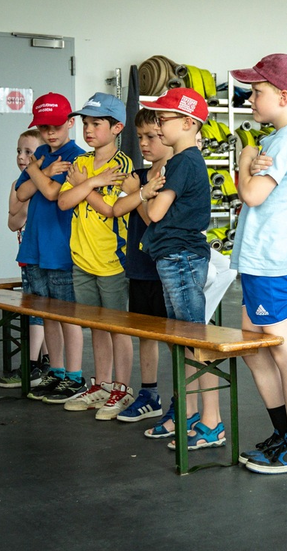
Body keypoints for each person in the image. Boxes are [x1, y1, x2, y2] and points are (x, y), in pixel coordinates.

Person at [229, 54, 287, 475]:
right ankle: (285, 432)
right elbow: (246, 184)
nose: (250, 99)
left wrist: (244, 152)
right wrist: (248, 158)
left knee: (285, 353)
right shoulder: (277, 139)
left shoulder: (286, 141)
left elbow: (249, 193)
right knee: (254, 347)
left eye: (257, 91)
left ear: (283, 96)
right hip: (259, 261)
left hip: (275, 264)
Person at [138, 87, 223, 451]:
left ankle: (212, 422)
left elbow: (155, 214)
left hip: (181, 258)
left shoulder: (182, 162)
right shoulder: (184, 161)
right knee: (183, 341)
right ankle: (189, 413)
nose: (158, 125)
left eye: (163, 119)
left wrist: (147, 190)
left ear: (189, 123)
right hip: (173, 258)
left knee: (195, 342)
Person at [57, 93, 135, 419]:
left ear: (117, 127)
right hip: (82, 259)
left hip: (112, 260)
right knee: (95, 326)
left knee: (118, 327)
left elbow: (111, 207)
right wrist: (93, 181)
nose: (88, 129)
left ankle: (122, 388)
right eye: (85, 123)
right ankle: (101, 384)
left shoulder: (124, 166)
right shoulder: (81, 164)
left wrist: (86, 186)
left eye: (96, 123)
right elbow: (64, 202)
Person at [17, 93, 87, 404]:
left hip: (61, 248)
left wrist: (35, 170)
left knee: (67, 315)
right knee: (46, 315)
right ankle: (55, 371)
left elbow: (49, 193)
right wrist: (41, 170)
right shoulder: (44, 156)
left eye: (56, 126)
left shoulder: (76, 156)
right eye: (44, 127)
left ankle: (74, 376)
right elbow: (20, 194)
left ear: (70, 123)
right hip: (35, 246)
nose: (50, 133)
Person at [110, 108, 170, 424]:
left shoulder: (170, 176)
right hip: (139, 265)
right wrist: (137, 192)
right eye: (140, 137)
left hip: (165, 269)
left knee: (175, 336)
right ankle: (149, 394)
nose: (144, 144)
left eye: (152, 137)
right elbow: (117, 208)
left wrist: (138, 194)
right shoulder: (140, 176)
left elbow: (154, 222)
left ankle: (181, 401)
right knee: (145, 333)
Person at [0, 129, 49, 388]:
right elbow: (13, 221)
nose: (21, 156)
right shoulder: (17, 185)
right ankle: (41, 362)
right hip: (26, 259)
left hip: (43, 258)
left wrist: (24, 203)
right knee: (34, 310)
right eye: (19, 151)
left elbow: (23, 211)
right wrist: (22, 201)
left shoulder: (45, 183)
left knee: (40, 312)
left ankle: (34, 366)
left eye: (28, 151)